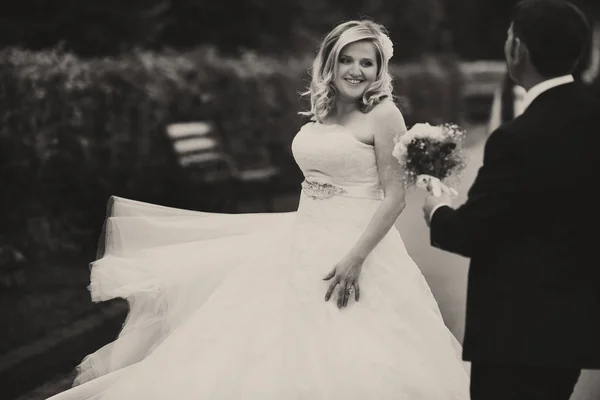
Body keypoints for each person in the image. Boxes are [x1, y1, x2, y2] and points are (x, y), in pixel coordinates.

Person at [46, 19, 470, 400]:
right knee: (266, 344)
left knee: (353, 350)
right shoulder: (322, 113)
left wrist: (356, 258)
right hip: (301, 240)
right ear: (330, 62)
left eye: (368, 63)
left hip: (359, 247)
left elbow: (394, 197)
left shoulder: (383, 114)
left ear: (380, 70)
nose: (357, 71)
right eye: (347, 59)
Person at [422, 1, 600, 399]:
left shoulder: (517, 138)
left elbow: (469, 232)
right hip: (572, 329)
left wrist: (437, 208)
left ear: (517, 49)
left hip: (516, 336)